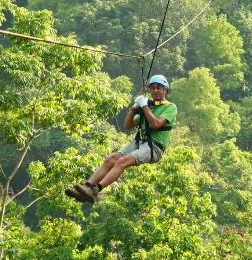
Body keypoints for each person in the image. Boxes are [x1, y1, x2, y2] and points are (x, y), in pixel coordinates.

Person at [66, 74, 177, 203]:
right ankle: (87, 187)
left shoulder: (170, 107)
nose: (155, 90)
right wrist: (134, 109)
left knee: (122, 161)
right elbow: (128, 125)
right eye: (153, 88)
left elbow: (156, 124)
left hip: (154, 148)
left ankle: (96, 190)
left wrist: (144, 107)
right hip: (140, 142)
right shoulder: (148, 107)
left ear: (165, 90)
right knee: (111, 159)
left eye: (159, 88)